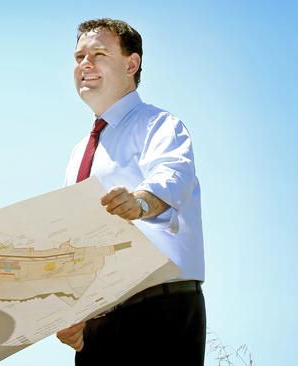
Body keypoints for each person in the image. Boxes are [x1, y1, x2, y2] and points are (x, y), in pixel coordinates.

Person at [56, 18, 206, 365]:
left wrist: (139, 203)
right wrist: (70, 313)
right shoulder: (79, 152)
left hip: (158, 313)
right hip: (99, 328)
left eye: (98, 54)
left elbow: (172, 175)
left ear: (131, 63)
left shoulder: (160, 125)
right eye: (79, 57)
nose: (85, 65)